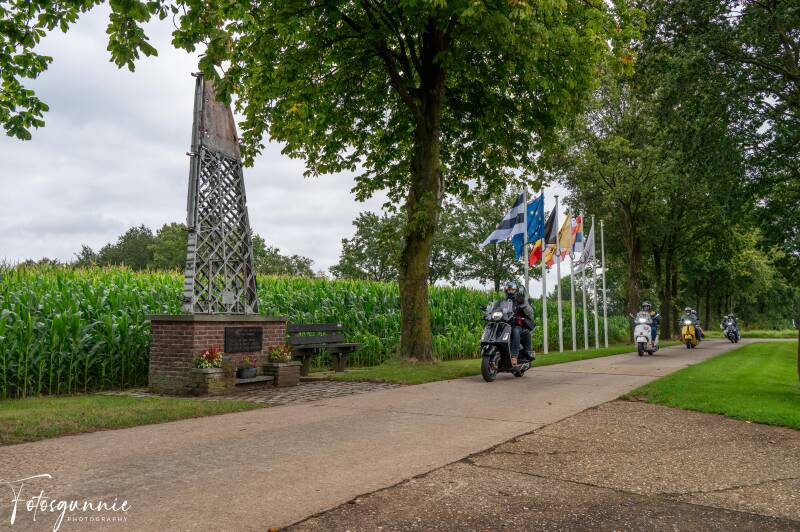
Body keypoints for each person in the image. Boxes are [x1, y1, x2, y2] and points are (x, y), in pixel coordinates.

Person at [504, 281, 535, 363]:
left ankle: (514, 356)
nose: (510, 291)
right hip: (505, 325)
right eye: (509, 290)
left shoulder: (520, 300)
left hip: (517, 325)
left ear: (516, 291)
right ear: (506, 291)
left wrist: (525, 306)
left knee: (515, 331)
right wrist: (489, 311)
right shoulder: (504, 302)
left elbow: (531, 312)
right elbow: (498, 309)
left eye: (512, 290)